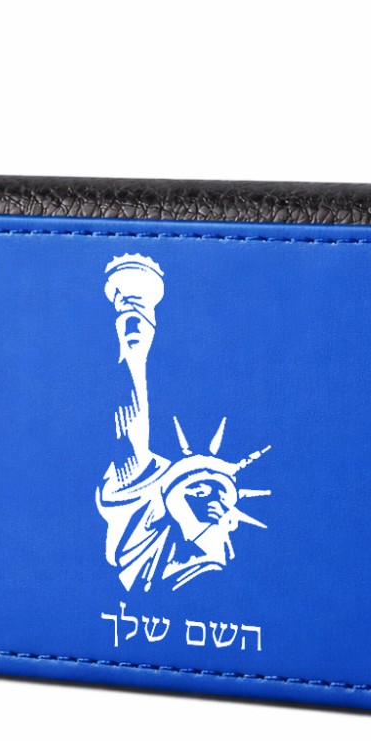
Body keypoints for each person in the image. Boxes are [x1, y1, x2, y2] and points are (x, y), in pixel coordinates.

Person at [95, 253, 270, 592]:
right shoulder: (145, 532)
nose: (214, 500)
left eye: (221, 492)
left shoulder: (233, 574)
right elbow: (129, 440)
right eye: (199, 490)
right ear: (167, 499)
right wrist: (134, 328)